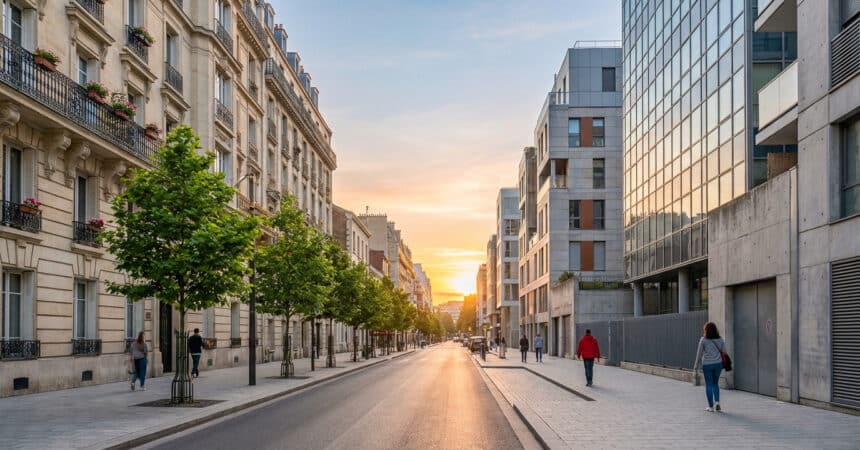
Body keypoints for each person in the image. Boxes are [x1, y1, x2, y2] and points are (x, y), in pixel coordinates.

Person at [693, 322, 726, 412]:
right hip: (718, 364)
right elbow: (724, 351)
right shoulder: (720, 339)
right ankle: (717, 402)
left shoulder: (703, 340)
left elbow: (699, 354)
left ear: (706, 330)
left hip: (707, 364)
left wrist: (696, 366)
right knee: (715, 383)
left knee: (709, 384)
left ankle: (711, 407)